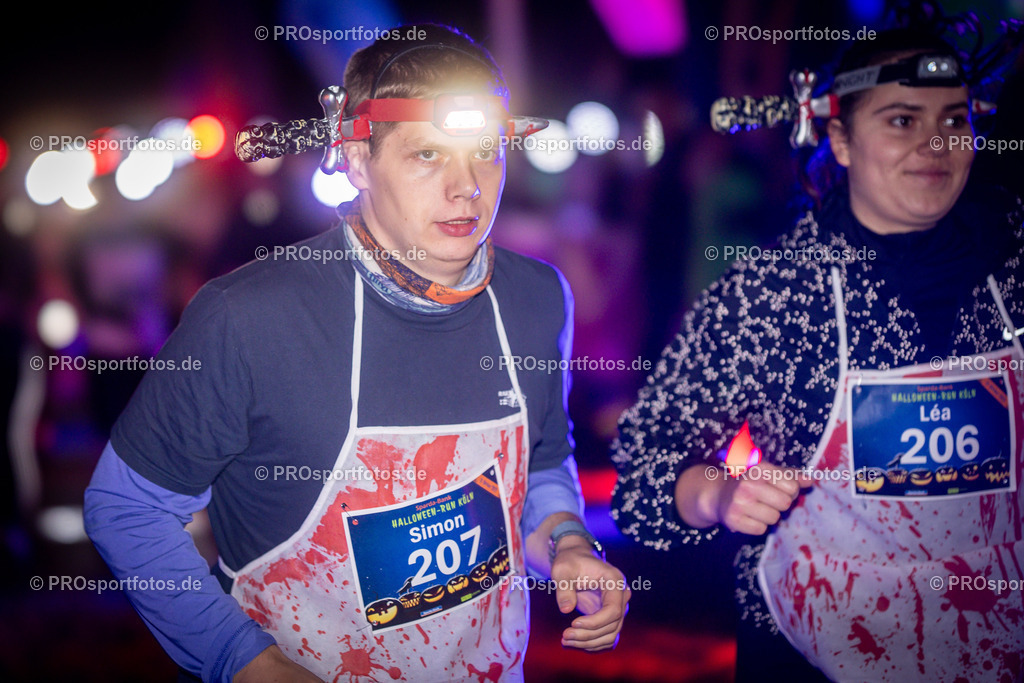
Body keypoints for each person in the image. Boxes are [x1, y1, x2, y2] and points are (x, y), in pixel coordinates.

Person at [84, 23, 629, 682]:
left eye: (484, 151)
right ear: (358, 160)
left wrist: (567, 539)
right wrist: (246, 659)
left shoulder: (539, 296)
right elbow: (127, 508)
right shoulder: (247, 315)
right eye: (427, 154)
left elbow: (543, 460)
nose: (466, 188)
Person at [611, 21, 1023, 683]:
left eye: (953, 118)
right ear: (841, 140)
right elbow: (643, 468)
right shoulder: (770, 291)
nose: (934, 144)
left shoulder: (1015, 266)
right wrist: (717, 496)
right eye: (900, 120)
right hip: (815, 658)